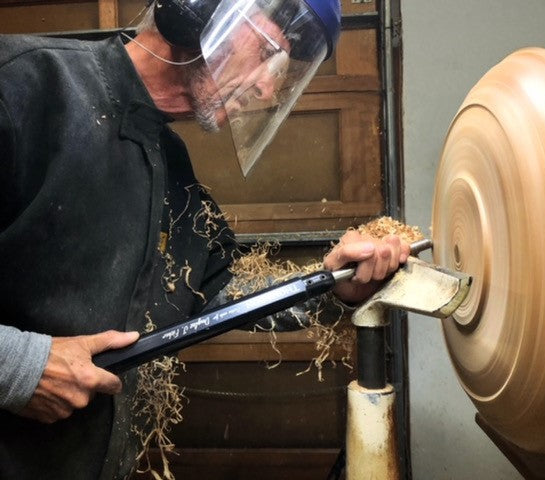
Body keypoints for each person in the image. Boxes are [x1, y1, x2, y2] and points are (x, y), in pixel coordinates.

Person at [0, 0, 409, 478]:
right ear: (194, 9)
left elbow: (221, 289)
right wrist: (19, 367)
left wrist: (334, 283)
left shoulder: (171, 168)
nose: (268, 87)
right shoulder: (23, 86)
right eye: (268, 52)